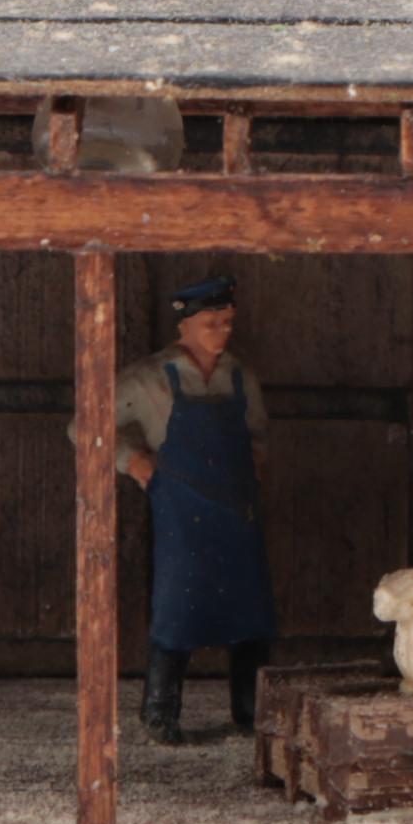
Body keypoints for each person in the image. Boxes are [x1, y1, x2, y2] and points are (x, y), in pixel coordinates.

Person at [116, 273, 277, 741]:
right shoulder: (150, 378)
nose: (222, 332)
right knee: (178, 608)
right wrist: (133, 461)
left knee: (251, 610)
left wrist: (255, 472)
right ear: (184, 326)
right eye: (211, 323)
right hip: (183, 509)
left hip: (238, 510)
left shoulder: (240, 376)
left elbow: (259, 435)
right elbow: (84, 427)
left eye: (227, 322)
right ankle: (160, 713)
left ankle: (251, 712)